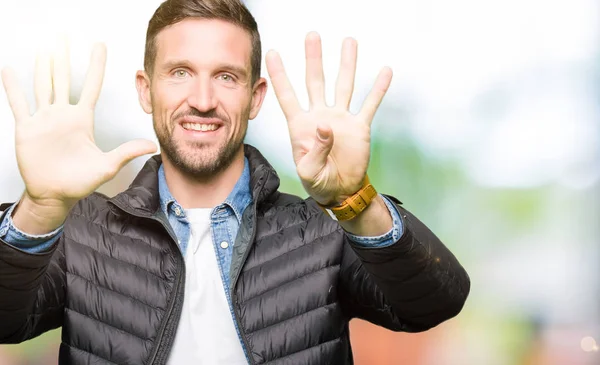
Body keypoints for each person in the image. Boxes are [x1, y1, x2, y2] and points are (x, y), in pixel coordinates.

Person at [0, 0, 470, 364]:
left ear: (255, 96)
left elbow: (434, 303)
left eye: (226, 76)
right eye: (180, 73)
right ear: (146, 89)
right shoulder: (82, 230)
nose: (202, 100)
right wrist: (40, 208)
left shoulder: (323, 230)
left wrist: (355, 200)